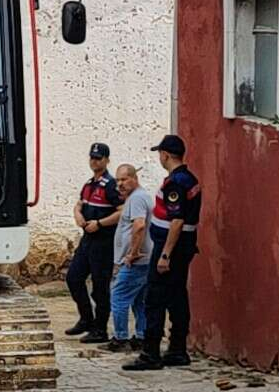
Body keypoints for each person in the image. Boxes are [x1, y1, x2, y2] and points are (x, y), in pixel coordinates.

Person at [126, 135, 203, 371]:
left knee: (155, 298)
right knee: (177, 295)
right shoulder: (189, 179)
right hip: (184, 245)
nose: (159, 157)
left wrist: (165, 255)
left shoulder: (175, 183)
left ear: (166, 155)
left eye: (160, 153)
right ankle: (177, 349)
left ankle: (151, 352)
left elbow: (177, 220)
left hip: (171, 246)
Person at [65, 142, 122, 343]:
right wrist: (78, 216)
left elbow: (122, 212)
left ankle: (100, 329)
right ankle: (86, 319)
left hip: (104, 241)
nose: (94, 161)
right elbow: (79, 205)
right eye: (92, 158)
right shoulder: (89, 185)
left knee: (100, 286)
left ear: (107, 160)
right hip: (88, 239)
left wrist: (100, 223)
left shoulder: (112, 185)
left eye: (98, 158)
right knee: (73, 278)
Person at [106, 164, 153, 351]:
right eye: (117, 180)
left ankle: (120, 338)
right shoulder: (138, 197)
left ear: (135, 178)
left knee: (118, 297)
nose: (120, 184)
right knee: (139, 300)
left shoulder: (137, 199)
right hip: (144, 260)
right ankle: (141, 336)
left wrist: (132, 253)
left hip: (135, 261)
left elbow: (139, 225)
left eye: (124, 179)